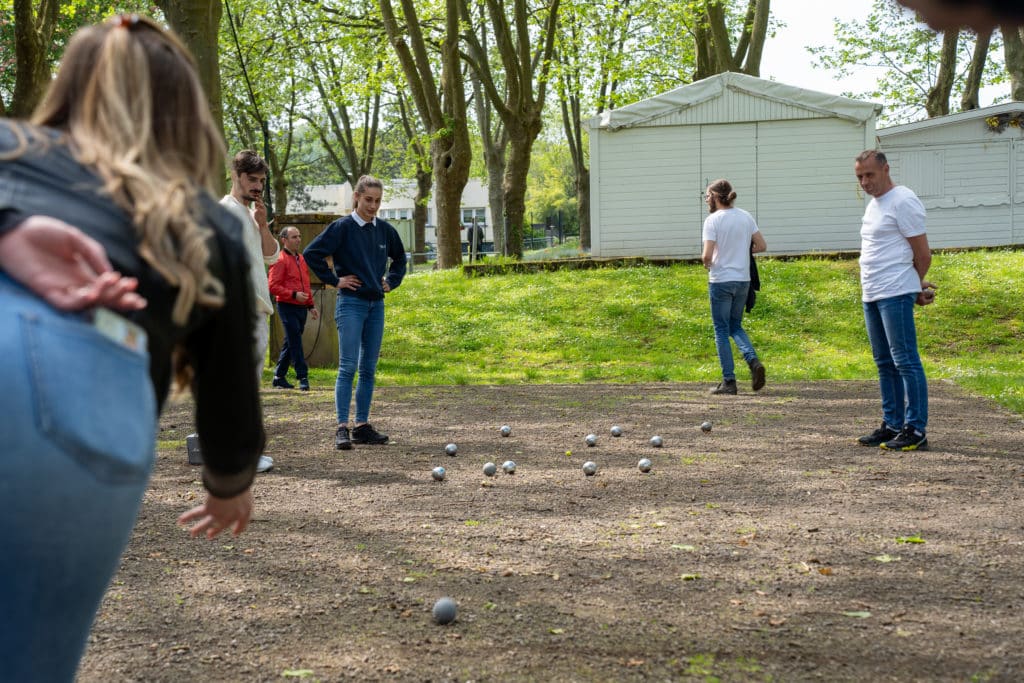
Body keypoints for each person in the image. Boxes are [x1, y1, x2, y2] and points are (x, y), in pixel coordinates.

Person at [0, 15, 264, 682]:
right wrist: (228, 486)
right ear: (183, 113)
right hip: (70, 388)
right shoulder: (199, 222)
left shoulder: (7, 145)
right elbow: (229, 393)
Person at [304, 175, 407, 450]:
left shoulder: (385, 230)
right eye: (368, 200)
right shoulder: (341, 228)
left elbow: (400, 259)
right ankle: (342, 427)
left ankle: (362, 425)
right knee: (348, 366)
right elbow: (311, 253)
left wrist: (391, 281)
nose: (373, 206)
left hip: (376, 305)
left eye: (377, 201)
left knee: (368, 368)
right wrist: (334, 280)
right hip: (351, 303)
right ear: (357, 198)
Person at [854, 150, 936, 451]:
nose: (864, 181)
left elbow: (922, 253)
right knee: (884, 362)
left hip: (894, 291)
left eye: (870, 175)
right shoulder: (875, 206)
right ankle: (892, 424)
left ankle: (916, 430)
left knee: (905, 361)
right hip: (872, 291)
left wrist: (912, 286)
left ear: (886, 169)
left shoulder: (903, 200)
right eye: (860, 176)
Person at [222, 150, 279, 472]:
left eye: (261, 181)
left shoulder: (252, 214)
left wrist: (262, 225)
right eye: (252, 179)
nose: (258, 186)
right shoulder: (224, 211)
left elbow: (271, 256)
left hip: (259, 309)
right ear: (237, 176)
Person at [701, 179, 768, 395]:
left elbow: (707, 255)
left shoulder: (712, 221)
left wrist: (706, 263)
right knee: (735, 326)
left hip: (721, 280)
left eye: (708, 195)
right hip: (743, 280)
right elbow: (761, 245)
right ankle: (753, 361)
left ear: (717, 197)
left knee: (721, 329)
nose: (706, 199)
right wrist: (741, 252)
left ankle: (729, 381)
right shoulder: (745, 216)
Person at [268, 226, 320, 390]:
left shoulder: (301, 259)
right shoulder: (279, 259)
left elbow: (306, 284)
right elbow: (272, 286)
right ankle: (302, 376)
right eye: (294, 237)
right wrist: (293, 295)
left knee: (290, 342)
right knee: (295, 341)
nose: (298, 239)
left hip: (301, 307)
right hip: (286, 305)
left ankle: (279, 376)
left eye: (299, 236)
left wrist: (310, 305)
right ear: (284, 239)